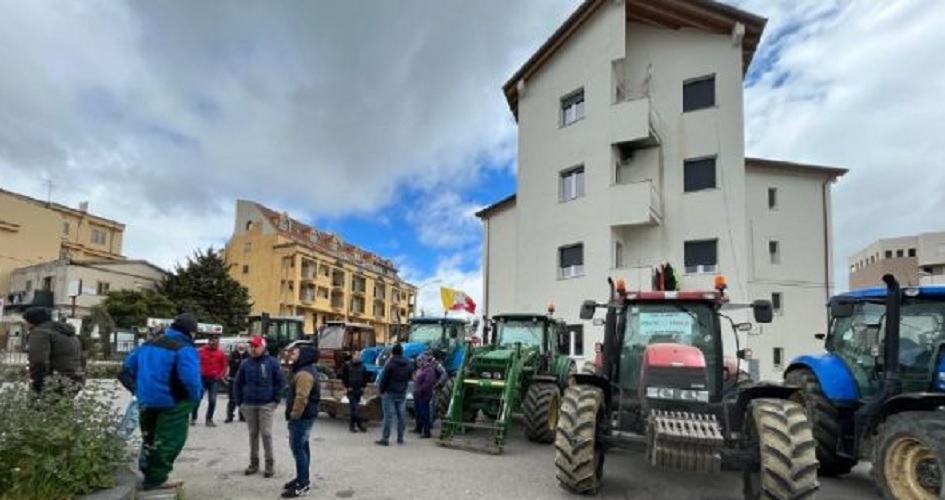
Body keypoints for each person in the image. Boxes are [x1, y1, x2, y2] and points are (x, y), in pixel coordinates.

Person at [121, 313, 203, 491]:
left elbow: (126, 368)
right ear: (190, 332)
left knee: (149, 437)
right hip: (173, 402)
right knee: (169, 440)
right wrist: (195, 398)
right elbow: (191, 380)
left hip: (146, 400)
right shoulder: (184, 348)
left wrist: (137, 389)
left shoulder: (148, 344)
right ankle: (156, 479)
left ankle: (147, 471)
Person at [234, 335, 286, 478]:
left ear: (263, 347)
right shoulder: (245, 363)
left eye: (255, 346)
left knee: (266, 434)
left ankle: (269, 463)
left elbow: (281, 382)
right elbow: (237, 383)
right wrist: (240, 402)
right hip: (249, 404)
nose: (253, 349)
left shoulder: (272, 363)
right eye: (251, 346)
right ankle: (253, 463)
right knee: (253, 434)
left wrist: (275, 400)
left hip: (266, 404)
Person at [281, 342, 320, 498]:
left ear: (304, 356)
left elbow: (301, 397)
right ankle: (301, 478)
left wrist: (294, 415)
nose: (293, 356)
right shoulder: (303, 370)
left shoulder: (304, 374)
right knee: (303, 448)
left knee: (298, 449)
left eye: (296, 353)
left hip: (302, 418)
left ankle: (303, 485)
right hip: (306, 416)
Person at [22, 306, 84, 396]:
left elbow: (38, 361)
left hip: (55, 380)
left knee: (38, 408)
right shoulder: (66, 333)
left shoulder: (40, 333)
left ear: (32, 321)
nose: (25, 324)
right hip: (75, 379)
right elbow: (81, 357)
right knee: (62, 408)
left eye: (26, 321)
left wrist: (38, 383)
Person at [375, 343, 411, 446]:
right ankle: (400, 438)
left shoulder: (390, 364)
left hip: (389, 393)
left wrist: (381, 390)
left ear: (392, 352)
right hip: (402, 393)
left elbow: (384, 379)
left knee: (388, 416)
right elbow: (410, 376)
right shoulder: (408, 364)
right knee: (401, 416)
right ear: (402, 352)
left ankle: (385, 439)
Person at [192, 335, 228, 427]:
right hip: (202, 378)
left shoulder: (221, 353)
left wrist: (219, 376)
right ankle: (193, 417)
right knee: (197, 399)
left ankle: (209, 419)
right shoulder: (200, 351)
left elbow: (224, 366)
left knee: (212, 400)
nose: (214, 343)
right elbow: (194, 363)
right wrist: (197, 373)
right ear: (209, 342)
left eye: (216, 342)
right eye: (212, 341)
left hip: (214, 380)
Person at [339, 349, 368, 433]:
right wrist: (347, 387)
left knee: (354, 409)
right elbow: (343, 377)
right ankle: (359, 425)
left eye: (359, 355)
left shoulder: (363, 366)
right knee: (354, 408)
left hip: (359, 390)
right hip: (351, 390)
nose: (358, 357)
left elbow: (365, 378)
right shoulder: (347, 365)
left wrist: (363, 387)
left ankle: (353, 426)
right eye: (356, 355)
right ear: (352, 356)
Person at [412, 354, 436, 439]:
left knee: (424, 413)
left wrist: (421, 390)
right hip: (417, 394)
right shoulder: (420, 370)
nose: (417, 363)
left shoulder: (429, 370)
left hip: (424, 395)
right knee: (418, 412)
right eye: (417, 361)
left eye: (419, 361)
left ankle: (426, 431)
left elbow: (428, 383)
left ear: (423, 361)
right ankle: (418, 428)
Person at [225, 343, 250, 423]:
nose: (241, 348)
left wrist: (238, 362)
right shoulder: (233, 354)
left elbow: (248, 365)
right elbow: (231, 364)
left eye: (243, 347)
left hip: (244, 380)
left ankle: (242, 416)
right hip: (233, 379)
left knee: (244, 399)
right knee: (232, 399)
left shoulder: (248, 355)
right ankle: (229, 416)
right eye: (239, 347)